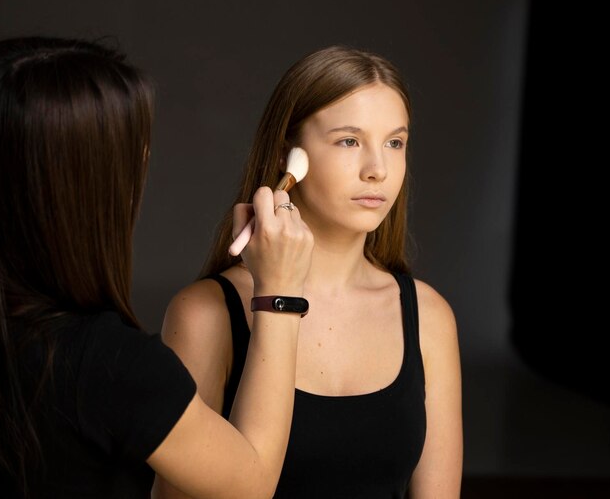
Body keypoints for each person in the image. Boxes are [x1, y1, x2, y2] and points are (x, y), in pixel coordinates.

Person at [0, 36, 313, 499]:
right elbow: (251, 482)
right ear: (90, 185)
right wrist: (281, 292)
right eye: (135, 152)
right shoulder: (109, 364)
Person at [153, 45, 463, 498]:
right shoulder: (205, 314)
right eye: (349, 141)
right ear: (287, 157)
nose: (378, 169)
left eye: (395, 143)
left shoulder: (429, 317)